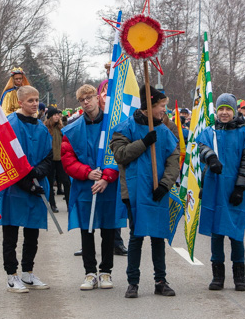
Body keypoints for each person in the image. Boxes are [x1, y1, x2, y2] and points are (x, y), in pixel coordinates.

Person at [110, 86, 179, 299]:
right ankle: (133, 282)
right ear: (149, 107)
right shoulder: (124, 128)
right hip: (133, 192)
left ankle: (160, 280)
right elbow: (121, 155)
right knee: (136, 235)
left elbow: (173, 160)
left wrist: (165, 185)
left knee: (158, 235)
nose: (164, 111)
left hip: (158, 191)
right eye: (161, 106)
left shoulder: (165, 131)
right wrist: (144, 142)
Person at [62, 84, 126, 291]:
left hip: (108, 186)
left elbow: (120, 155)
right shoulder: (72, 130)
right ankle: (90, 273)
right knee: (86, 230)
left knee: (108, 229)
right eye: (82, 100)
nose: (86, 102)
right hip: (85, 187)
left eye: (90, 97)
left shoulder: (114, 126)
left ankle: (106, 271)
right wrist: (87, 173)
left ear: (98, 98)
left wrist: (107, 177)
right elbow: (68, 159)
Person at [197, 93, 245, 292]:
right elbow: (202, 149)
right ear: (216, 111)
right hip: (214, 188)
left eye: (228, 109)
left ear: (234, 112)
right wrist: (211, 158)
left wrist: (240, 187)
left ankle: (239, 276)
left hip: (235, 190)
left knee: (236, 234)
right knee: (216, 233)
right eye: (221, 109)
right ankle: (218, 276)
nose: (224, 113)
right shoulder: (210, 132)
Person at [0, 86, 52, 293]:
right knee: (11, 234)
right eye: (30, 100)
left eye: (37, 100)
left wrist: (38, 172)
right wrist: (27, 183)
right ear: (20, 102)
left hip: (36, 187)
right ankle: (12, 275)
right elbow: (6, 158)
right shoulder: (10, 125)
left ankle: (28, 272)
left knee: (32, 234)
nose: (35, 104)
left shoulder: (42, 127)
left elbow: (48, 157)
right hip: (15, 189)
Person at [44, 107, 70, 212]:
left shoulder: (61, 128)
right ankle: (53, 204)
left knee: (66, 181)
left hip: (61, 159)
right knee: (50, 183)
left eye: (57, 115)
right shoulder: (45, 128)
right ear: (50, 117)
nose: (57, 116)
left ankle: (69, 203)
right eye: (54, 115)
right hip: (50, 159)